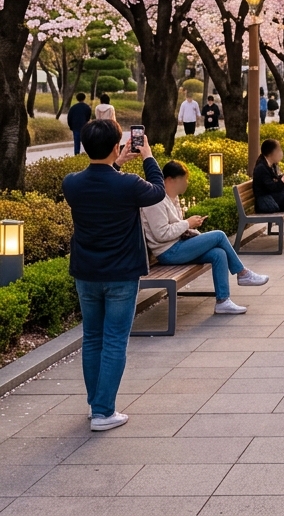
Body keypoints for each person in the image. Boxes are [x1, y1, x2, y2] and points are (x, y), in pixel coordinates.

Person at [62, 119, 165, 431]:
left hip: (86, 272)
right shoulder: (128, 185)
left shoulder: (71, 183)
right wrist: (147, 155)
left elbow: (102, 184)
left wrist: (115, 163)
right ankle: (104, 412)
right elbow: (158, 191)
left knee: (92, 338)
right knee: (115, 340)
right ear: (115, 146)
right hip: (121, 272)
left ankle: (97, 405)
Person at [142, 160, 269, 314]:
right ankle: (242, 273)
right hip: (168, 252)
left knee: (218, 254)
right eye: (184, 179)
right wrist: (188, 224)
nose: (186, 183)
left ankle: (223, 301)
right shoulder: (155, 201)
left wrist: (190, 227)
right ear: (170, 179)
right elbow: (161, 234)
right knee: (219, 236)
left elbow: (176, 227)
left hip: (178, 246)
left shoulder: (171, 198)